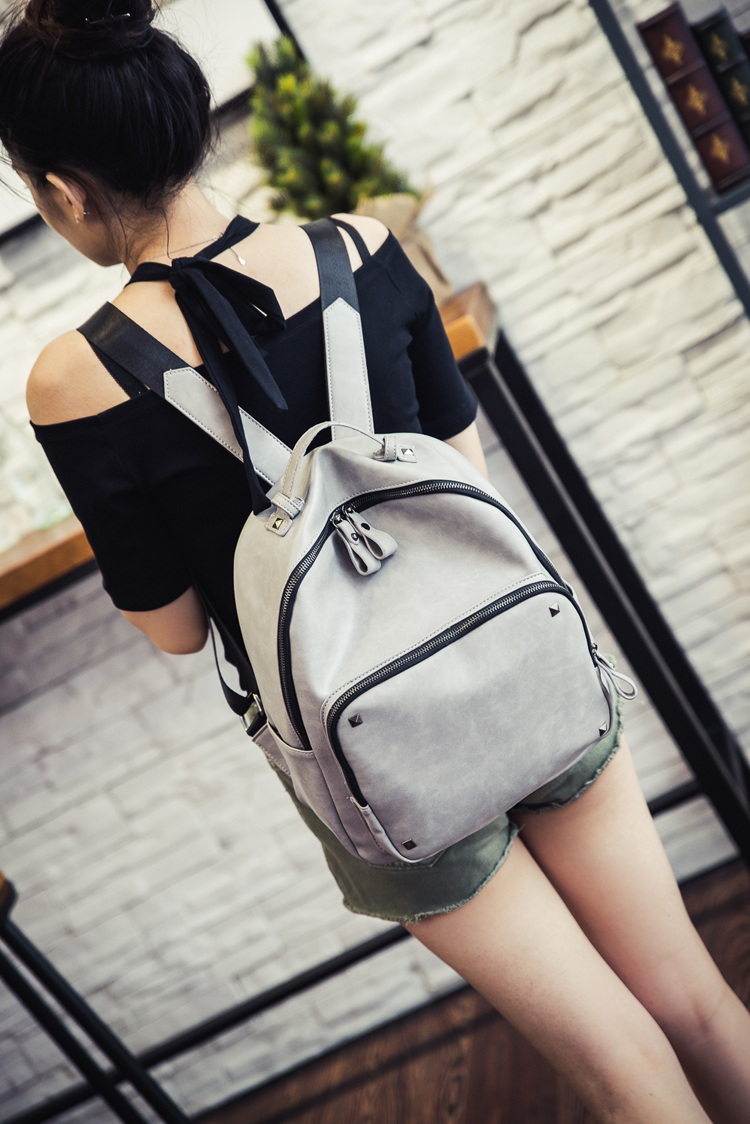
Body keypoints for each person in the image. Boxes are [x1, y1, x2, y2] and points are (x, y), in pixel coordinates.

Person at [1, 2, 748, 1120]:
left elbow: (179, 629)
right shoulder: (362, 250)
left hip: (377, 764)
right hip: (520, 667)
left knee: (615, 1059)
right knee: (690, 998)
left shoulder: (76, 380)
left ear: (63, 191)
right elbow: (466, 483)